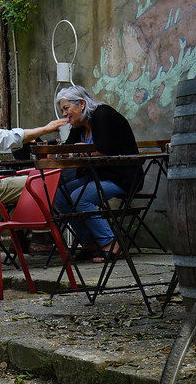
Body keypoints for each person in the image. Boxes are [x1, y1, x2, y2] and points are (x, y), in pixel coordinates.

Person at [54, 85, 141, 260]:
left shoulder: (103, 115)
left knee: (81, 197)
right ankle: (90, 242)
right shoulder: (80, 124)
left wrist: (78, 152)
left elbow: (105, 150)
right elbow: (69, 149)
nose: (64, 114)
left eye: (66, 108)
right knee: (59, 194)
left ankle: (111, 244)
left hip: (121, 176)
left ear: (82, 104)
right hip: (97, 176)